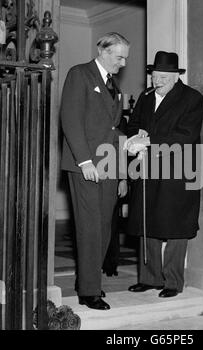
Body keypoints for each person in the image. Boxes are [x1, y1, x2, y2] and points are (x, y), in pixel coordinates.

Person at [125, 51, 203, 298]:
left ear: (175, 76)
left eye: (163, 77)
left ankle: (172, 281)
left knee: (175, 225)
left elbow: (186, 135)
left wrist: (148, 143)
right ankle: (150, 278)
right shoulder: (146, 97)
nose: (157, 81)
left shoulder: (192, 98)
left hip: (178, 169)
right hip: (147, 167)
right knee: (146, 219)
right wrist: (134, 139)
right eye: (154, 76)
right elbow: (133, 123)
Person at [60, 32, 129, 310]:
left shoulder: (114, 86)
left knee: (103, 227)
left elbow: (113, 130)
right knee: (89, 227)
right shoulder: (80, 75)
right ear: (103, 51)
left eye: (125, 57)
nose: (123, 63)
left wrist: (130, 145)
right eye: (119, 56)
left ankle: (89, 279)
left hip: (110, 164)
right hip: (86, 165)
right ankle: (89, 291)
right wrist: (85, 162)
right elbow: (71, 120)